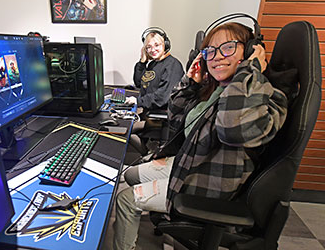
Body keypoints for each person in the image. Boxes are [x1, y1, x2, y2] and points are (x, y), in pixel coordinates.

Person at [113, 22, 289, 249]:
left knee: (125, 200)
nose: (216, 57)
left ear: (247, 52)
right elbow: (176, 120)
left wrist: (250, 69)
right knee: (131, 175)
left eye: (227, 48)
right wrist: (191, 84)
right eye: (210, 51)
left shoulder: (266, 96)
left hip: (209, 184)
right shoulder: (215, 88)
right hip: (192, 164)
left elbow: (232, 129)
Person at [127, 28, 184, 116]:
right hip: (148, 111)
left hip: (160, 117)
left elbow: (162, 97)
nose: (153, 50)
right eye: (148, 47)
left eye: (157, 45)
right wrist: (142, 62)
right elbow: (138, 82)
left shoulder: (172, 65)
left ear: (165, 45)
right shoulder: (153, 64)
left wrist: (138, 101)